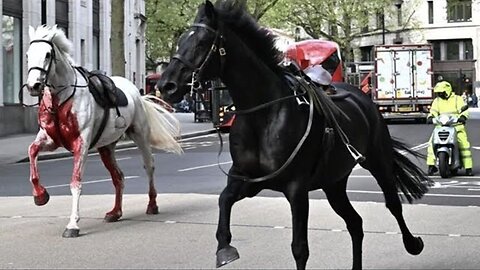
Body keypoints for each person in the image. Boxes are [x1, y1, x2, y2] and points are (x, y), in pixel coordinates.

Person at [426, 81, 473, 176]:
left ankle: (468, 168)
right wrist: (430, 117)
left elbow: (464, 110)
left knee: (464, 145)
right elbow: (433, 111)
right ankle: (431, 166)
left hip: (456, 126)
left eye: (441, 92)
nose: (440, 94)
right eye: (438, 93)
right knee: (431, 144)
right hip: (441, 126)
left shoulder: (457, 99)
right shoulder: (437, 101)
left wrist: (463, 117)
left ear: (447, 90)